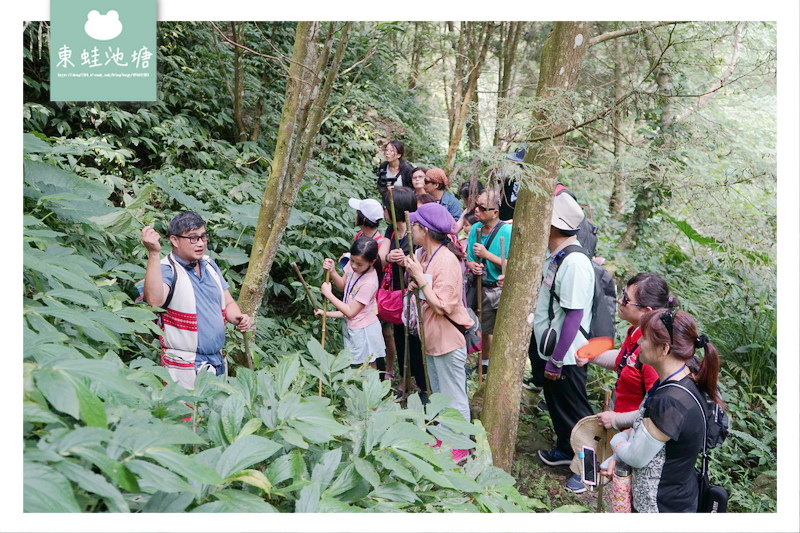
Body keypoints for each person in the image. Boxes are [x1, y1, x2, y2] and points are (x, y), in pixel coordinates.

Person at [600, 308, 725, 513]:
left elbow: (636, 457)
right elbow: (646, 428)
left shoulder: (670, 402)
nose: (639, 342)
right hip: (681, 493)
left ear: (664, 348)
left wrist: (616, 442)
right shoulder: (687, 378)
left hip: (660, 505)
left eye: (645, 338)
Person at [140, 211, 251, 390]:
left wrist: (238, 317)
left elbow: (228, 302)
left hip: (217, 361)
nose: (200, 243)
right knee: (186, 414)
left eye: (203, 237)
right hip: (184, 363)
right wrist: (153, 254)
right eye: (193, 238)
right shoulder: (168, 270)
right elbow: (154, 301)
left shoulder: (209, 264)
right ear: (175, 241)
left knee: (214, 414)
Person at [532, 192, 595, 494]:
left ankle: (588, 471)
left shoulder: (575, 262)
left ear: (555, 225)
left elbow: (573, 316)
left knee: (576, 413)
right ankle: (564, 450)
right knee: (557, 407)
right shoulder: (557, 253)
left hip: (566, 354)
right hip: (552, 348)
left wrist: (556, 360)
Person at [403, 202, 474, 463]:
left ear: (424, 229)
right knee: (439, 395)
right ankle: (444, 436)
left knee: (454, 396)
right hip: (431, 338)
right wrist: (415, 279)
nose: (411, 228)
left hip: (447, 338)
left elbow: (444, 305)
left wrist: (420, 280)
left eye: (414, 224)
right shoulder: (423, 254)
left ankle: (460, 446)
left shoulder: (447, 261)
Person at [577, 273, 676, 430]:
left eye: (626, 299)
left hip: (633, 435)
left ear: (646, 311)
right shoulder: (636, 332)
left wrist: (618, 420)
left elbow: (656, 409)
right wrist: (590, 355)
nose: (619, 301)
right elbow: (624, 360)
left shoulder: (653, 352)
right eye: (623, 293)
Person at [378, 187, 427, 400]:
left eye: (386, 206)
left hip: (412, 293)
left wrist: (406, 261)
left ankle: (423, 385)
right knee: (400, 338)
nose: (383, 210)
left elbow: (423, 263)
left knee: (415, 342)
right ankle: (404, 380)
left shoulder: (413, 232)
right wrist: (390, 257)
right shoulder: (391, 230)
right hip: (396, 294)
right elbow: (382, 257)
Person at [317, 237, 386, 368]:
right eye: (352, 261)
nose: (353, 266)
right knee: (356, 367)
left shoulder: (370, 283)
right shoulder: (353, 265)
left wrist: (328, 294)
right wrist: (332, 271)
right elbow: (344, 286)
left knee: (366, 369)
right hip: (352, 326)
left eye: (359, 264)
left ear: (372, 262)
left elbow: (350, 311)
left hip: (364, 330)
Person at [465, 189, 512, 375]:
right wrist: (472, 265)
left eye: (483, 208)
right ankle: (484, 362)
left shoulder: (507, 231)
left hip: (500, 287)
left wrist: (487, 255)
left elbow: (512, 265)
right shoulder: (475, 230)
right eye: (476, 206)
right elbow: (469, 257)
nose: (477, 211)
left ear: (495, 212)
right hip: (481, 287)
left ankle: (501, 365)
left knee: (501, 330)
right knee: (484, 328)